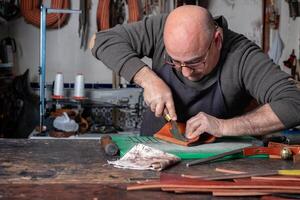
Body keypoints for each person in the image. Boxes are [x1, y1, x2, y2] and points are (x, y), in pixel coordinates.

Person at [91, 5, 300, 139]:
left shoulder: (242, 55)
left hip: (217, 165)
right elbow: (99, 40)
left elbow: (294, 103)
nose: (186, 72)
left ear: (216, 40)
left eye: (195, 61)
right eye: (175, 62)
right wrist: (147, 79)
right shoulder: (160, 28)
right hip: (153, 154)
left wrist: (223, 126)